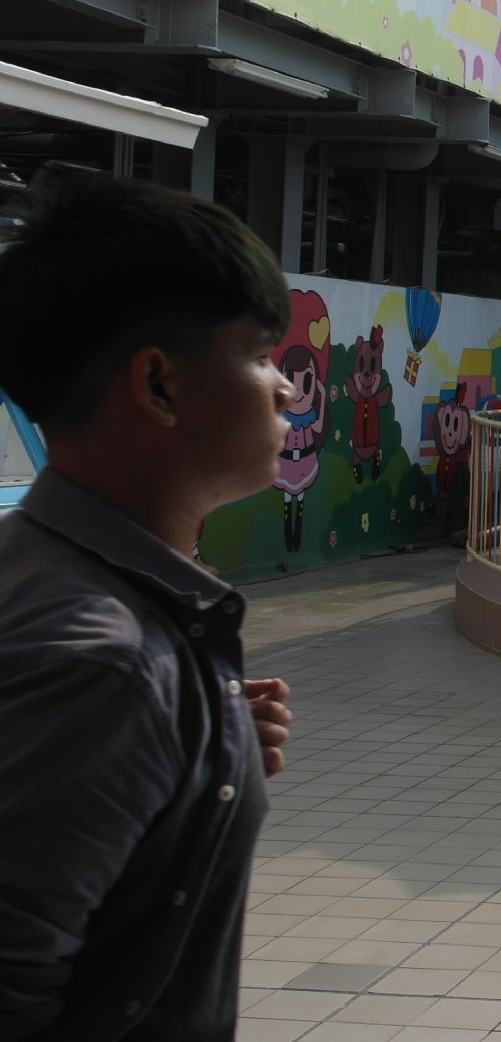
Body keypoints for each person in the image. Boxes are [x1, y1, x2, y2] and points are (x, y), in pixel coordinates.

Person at [0, 175, 297, 1037]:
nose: (284, 388)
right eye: (260, 355)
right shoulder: (104, 667)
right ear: (158, 384)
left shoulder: (51, 576)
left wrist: (199, 754)